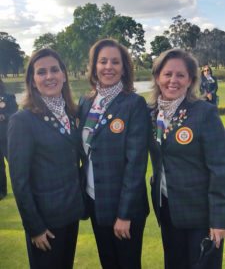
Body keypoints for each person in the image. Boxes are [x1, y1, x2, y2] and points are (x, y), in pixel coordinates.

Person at [8, 48, 85, 269]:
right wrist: (35, 227)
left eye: (54, 70)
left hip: (70, 214)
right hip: (45, 223)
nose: (49, 76)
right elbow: (20, 181)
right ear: (32, 81)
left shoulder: (72, 113)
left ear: (64, 75)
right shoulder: (23, 121)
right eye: (41, 72)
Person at [149, 48, 225, 269]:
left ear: (190, 80)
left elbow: (220, 169)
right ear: (157, 77)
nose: (173, 80)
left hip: (201, 216)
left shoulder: (204, 113)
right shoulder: (151, 114)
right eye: (167, 74)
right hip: (168, 210)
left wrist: (219, 220)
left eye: (180, 75)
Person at [78, 38, 149, 269]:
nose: (108, 66)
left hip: (124, 208)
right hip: (96, 201)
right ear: (94, 66)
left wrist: (124, 215)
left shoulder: (133, 104)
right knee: (108, 263)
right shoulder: (87, 101)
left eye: (115, 62)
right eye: (103, 61)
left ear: (124, 67)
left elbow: (136, 164)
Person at [0, 78, 18, 200]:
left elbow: (15, 114)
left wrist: (4, 116)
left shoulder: (9, 97)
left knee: (15, 165)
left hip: (7, 137)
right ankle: (2, 192)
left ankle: (20, 188)